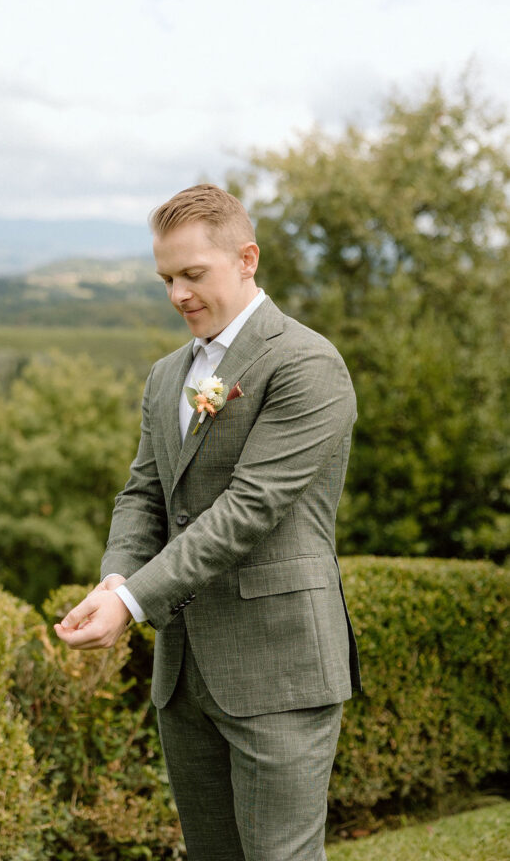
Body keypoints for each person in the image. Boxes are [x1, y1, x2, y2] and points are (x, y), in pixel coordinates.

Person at [55, 183, 361, 861]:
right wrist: (113, 579)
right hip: (186, 670)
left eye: (193, 275)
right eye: (166, 278)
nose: (177, 295)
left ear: (245, 258)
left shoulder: (306, 363)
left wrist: (132, 603)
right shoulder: (167, 376)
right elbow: (142, 495)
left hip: (279, 666)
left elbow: (247, 510)